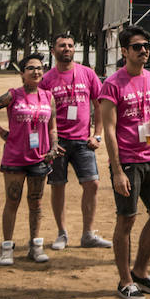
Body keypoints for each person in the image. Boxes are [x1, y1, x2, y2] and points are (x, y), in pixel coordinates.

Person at [98, 25, 150, 299]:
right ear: (125, 51)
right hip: (127, 162)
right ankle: (125, 280)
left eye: (147, 45)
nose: (144, 50)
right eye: (138, 46)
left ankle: (140, 270)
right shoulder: (112, 84)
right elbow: (109, 131)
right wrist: (117, 171)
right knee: (126, 220)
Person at [0, 53, 60, 266]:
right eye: (31, 68)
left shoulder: (48, 96)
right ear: (22, 74)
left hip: (40, 158)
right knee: (12, 201)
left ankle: (35, 245)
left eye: (40, 68)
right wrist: (2, 133)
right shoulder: (13, 95)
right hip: (15, 157)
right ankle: (7, 247)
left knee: (36, 202)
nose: (36, 72)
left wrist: (53, 147)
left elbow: (52, 126)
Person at [39, 34, 110, 251]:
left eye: (70, 45)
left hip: (83, 142)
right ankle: (62, 233)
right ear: (54, 51)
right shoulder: (47, 79)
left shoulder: (87, 74)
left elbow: (99, 106)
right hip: (58, 142)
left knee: (92, 184)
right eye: (62, 45)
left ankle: (88, 234)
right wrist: (49, 143)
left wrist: (97, 135)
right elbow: (40, 112)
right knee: (57, 186)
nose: (67, 48)